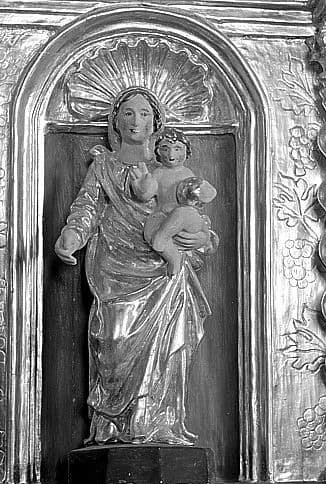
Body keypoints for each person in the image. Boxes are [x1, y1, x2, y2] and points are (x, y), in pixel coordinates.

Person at [55, 87, 214, 446]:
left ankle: (156, 423)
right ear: (115, 121)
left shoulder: (169, 169)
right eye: (128, 113)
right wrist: (71, 236)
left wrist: (200, 237)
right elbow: (87, 207)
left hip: (163, 270)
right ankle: (112, 426)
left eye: (144, 114)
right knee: (113, 340)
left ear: (156, 122)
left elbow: (196, 213)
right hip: (115, 267)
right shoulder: (104, 166)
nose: (135, 121)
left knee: (167, 346)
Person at [130, 128, 217, 276]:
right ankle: (173, 258)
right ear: (158, 151)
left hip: (186, 219)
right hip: (163, 218)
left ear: (186, 151)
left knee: (183, 212)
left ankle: (162, 238)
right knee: (154, 229)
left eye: (177, 149)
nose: (171, 155)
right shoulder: (158, 173)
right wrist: (142, 186)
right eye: (165, 148)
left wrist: (204, 192)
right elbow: (146, 194)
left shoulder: (187, 174)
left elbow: (205, 195)